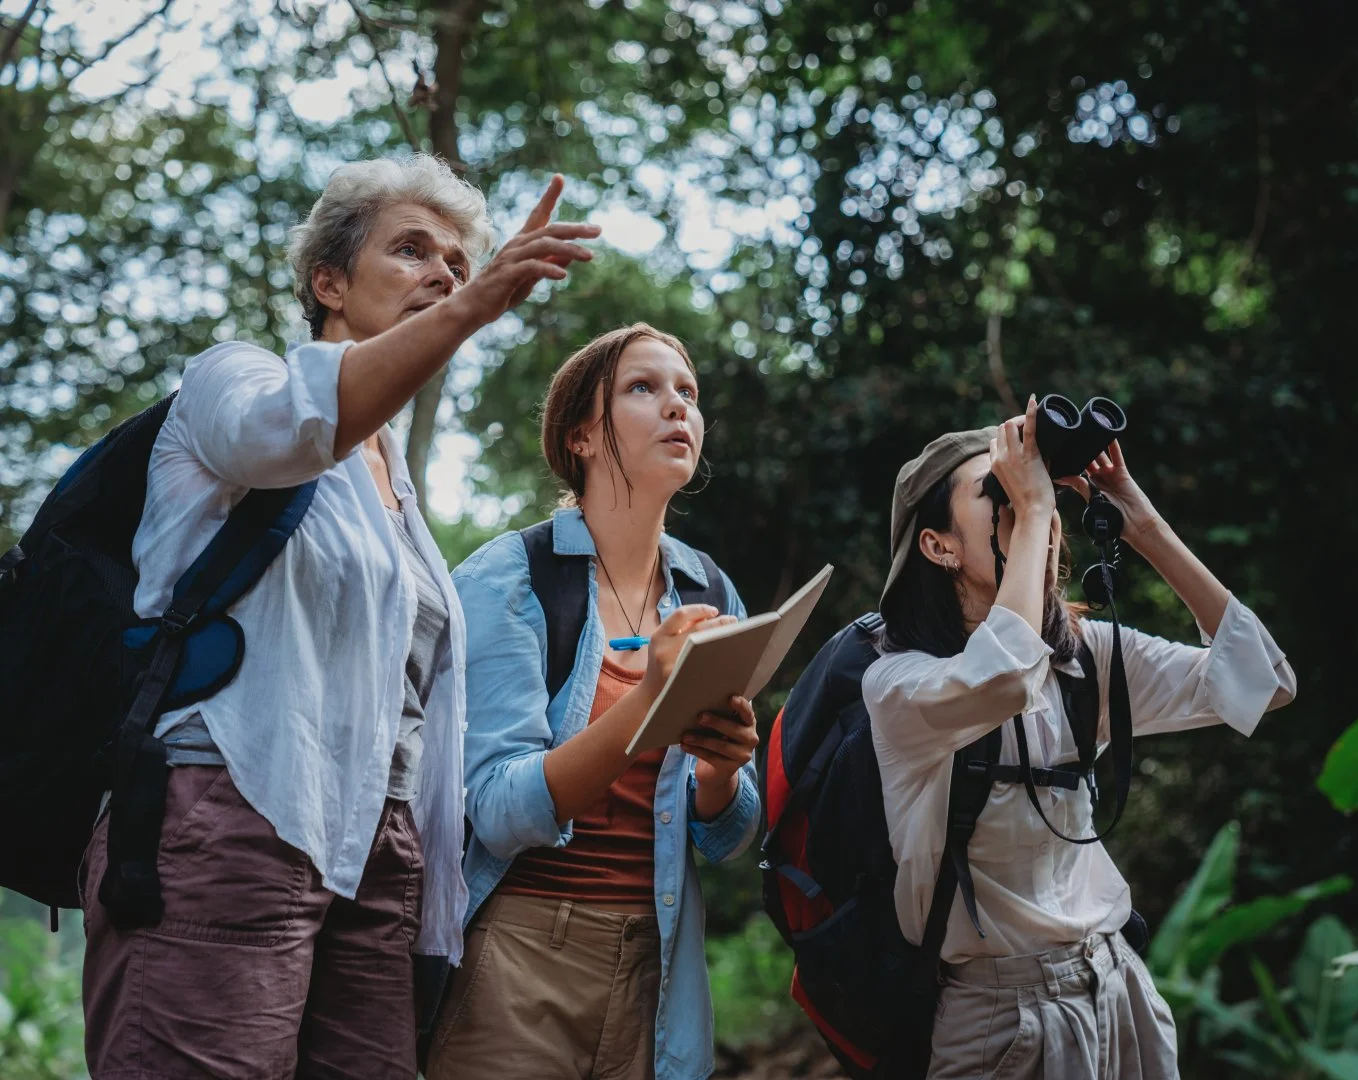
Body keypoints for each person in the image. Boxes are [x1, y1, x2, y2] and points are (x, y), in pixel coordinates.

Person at [80, 153, 600, 1079]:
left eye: (457, 261)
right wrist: (475, 308)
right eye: (411, 250)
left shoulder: (396, 482)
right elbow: (289, 429)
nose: (444, 272)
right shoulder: (230, 381)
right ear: (328, 281)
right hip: (229, 812)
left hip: (378, 847)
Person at [865, 397, 1297, 1079]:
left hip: (1118, 987)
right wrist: (1036, 509)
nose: (1028, 504)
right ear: (938, 545)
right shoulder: (900, 687)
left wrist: (1143, 525)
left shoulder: (1083, 660)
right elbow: (1002, 678)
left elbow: (1264, 682)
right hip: (1000, 1024)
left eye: (1031, 492)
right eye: (997, 495)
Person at [426, 323, 761, 1080]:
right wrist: (649, 701)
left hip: (659, 962)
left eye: (688, 393)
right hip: (518, 959)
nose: (678, 406)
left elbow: (730, 837)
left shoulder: (711, 591)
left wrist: (719, 775)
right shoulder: (511, 576)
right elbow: (500, 812)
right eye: (644, 388)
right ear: (580, 434)